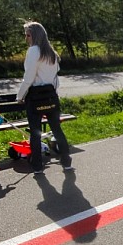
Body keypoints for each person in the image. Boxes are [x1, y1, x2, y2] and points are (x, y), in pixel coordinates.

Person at [16, 22, 73, 174]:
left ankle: (37, 165)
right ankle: (66, 161)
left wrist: (20, 96)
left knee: (35, 132)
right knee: (57, 129)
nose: (26, 38)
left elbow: (28, 77)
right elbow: (55, 78)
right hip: (51, 96)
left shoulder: (34, 51)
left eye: (28, 35)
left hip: (35, 96)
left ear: (35, 35)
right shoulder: (51, 53)